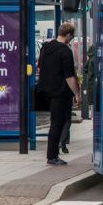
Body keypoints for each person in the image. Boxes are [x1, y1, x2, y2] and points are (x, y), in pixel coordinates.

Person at [37, 22, 80, 166]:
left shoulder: (45, 48)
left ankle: (52, 155)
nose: (72, 39)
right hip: (60, 93)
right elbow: (69, 77)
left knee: (54, 123)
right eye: (72, 36)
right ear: (68, 35)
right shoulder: (65, 51)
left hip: (46, 91)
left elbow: (40, 66)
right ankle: (52, 156)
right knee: (57, 124)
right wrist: (77, 94)